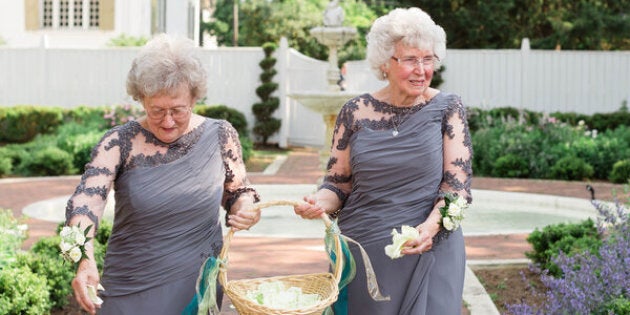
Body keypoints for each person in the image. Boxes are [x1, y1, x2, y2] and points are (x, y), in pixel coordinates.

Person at [64, 33, 261, 315]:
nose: (167, 122)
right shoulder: (118, 142)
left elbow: (239, 192)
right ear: (141, 99)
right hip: (129, 286)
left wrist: (246, 209)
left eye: (177, 110)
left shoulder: (221, 134)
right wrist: (82, 259)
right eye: (156, 110)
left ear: (195, 97)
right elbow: (83, 204)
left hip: (196, 285)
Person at [294, 7, 473, 314]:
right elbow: (337, 184)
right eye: (410, 60)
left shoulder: (448, 108)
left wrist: (429, 228)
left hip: (429, 247)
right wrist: (318, 203)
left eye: (428, 59)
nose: (421, 70)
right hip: (365, 253)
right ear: (384, 63)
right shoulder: (354, 112)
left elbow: (456, 187)